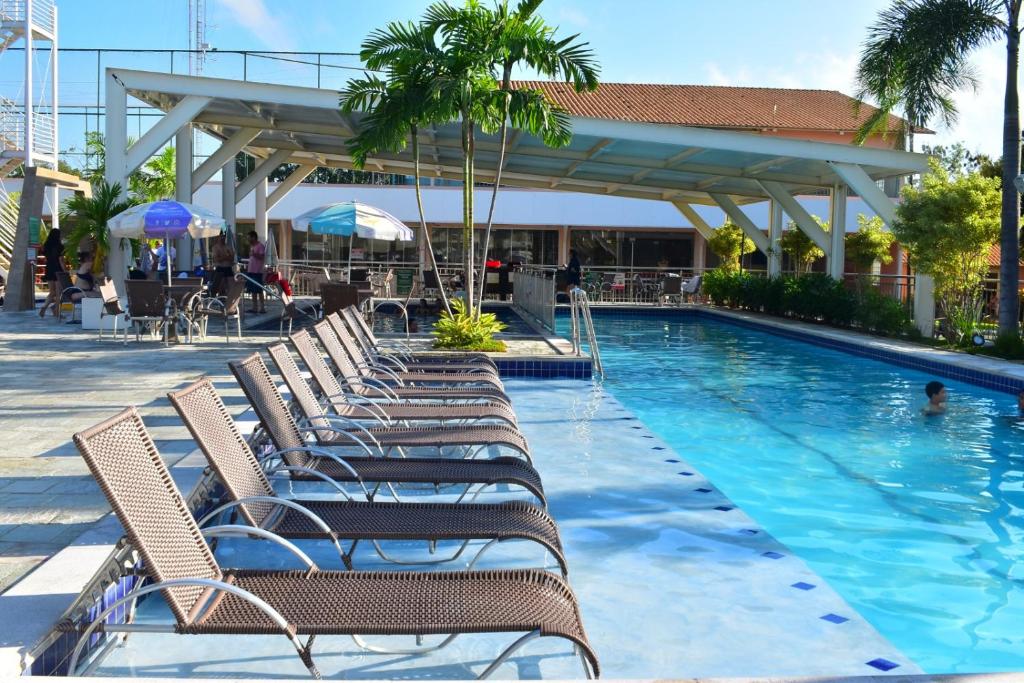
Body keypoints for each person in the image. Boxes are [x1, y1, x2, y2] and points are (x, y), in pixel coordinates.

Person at [38, 228, 66, 317]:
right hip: (58, 269)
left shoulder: (46, 245)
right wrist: (65, 271)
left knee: (52, 292)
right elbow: (61, 260)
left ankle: (44, 307)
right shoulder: (60, 246)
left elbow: (46, 256)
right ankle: (57, 311)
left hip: (49, 268)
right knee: (59, 293)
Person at [245, 230, 267, 314]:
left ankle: (262, 307)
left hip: (257, 272)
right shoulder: (252, 246)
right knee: (253, 291)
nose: (248, 240)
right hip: (251, 271)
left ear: (253, 237)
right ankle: (254, 307)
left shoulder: (260, 246)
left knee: (259, 290)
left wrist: (253, 254)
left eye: (249, 238)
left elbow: (262, 257)